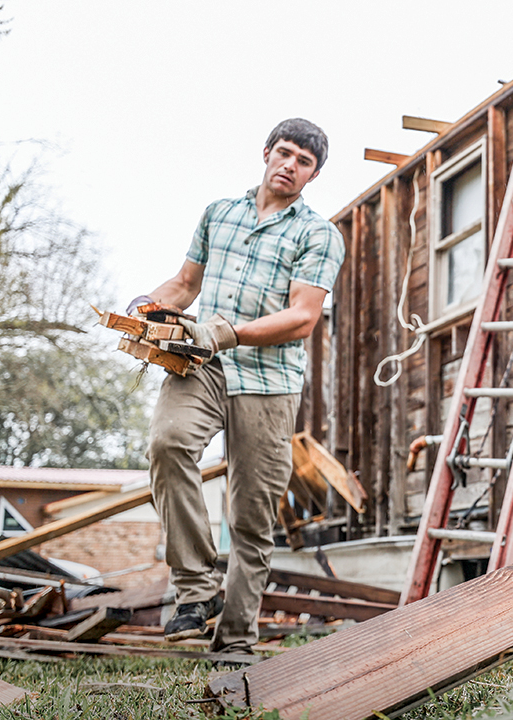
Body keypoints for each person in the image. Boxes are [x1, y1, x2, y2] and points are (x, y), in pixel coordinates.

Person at [129, 118, 345, 655]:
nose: (291, 166)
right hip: (201, 363)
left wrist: (225, 332)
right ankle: (196, 589)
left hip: (269, 383)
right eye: (286, 153)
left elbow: (301, 318)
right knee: (168, 443)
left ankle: (235, 642)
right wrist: (142, 307)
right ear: (267, 152)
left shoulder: (318, 233)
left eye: (304, 162)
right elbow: (184, 285)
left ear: (313, 175)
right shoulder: (218, 214)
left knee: (251, 515)